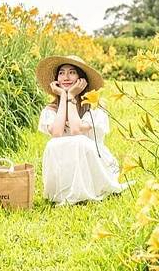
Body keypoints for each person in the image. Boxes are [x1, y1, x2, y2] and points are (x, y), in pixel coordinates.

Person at [35, 55, 130, 206]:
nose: (65, 77)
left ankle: (88, 189)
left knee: (79, 141)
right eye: (61, 73)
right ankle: (61, 191)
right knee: (52, 144)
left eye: (72, 72)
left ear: (82, 80)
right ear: (56, 80)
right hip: (66, 165)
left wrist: (71, 96)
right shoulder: (51, 109)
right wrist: (63, 96)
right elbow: (57, 133)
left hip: (93, 162)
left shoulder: (95, 106)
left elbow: (76, 130)